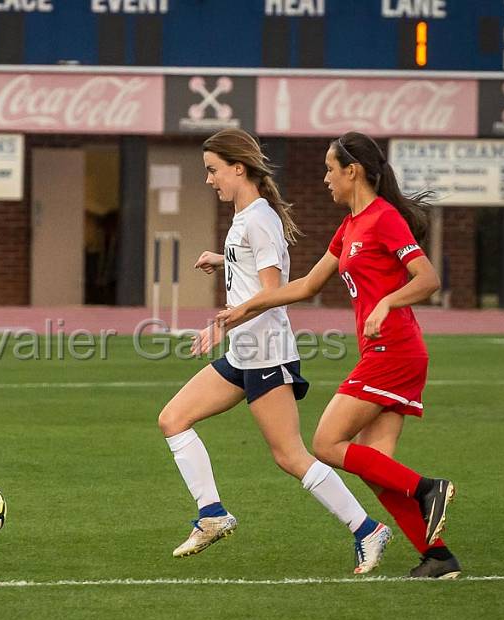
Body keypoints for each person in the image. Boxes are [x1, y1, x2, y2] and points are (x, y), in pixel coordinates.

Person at [195, 131, 461, 579]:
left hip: (394, 351)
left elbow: (427, 278)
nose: (324, 179)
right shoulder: (350, 227)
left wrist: (387, 302)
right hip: (385, 352)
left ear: (351, 171)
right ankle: (437, 557)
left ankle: (428, 488)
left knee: (325, 443)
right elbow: (303, 287)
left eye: (329, 169)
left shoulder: (383, 218)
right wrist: (239, 311)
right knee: (377, 467)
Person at [159, 128, 393, 575]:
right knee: (173, 419)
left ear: (238, 168)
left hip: (266, 353)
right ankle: (212, 515)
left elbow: (276, 292)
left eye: (213, 170)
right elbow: (255, 275)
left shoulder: (259, 219)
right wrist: (223, 261)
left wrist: (223, 319)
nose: (209, 180)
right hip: (244, 353)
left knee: (290, 456)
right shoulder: (245, 217)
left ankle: (367, 529)